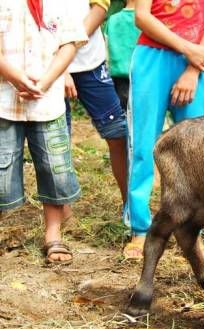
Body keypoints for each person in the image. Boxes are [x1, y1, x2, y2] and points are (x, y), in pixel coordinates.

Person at [124, 0, 204, 259]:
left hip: (199, 64)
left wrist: (192, 68)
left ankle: (192, 233)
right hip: (152, 58)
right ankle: (140, 228)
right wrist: (186, 48)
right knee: (143, 146)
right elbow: (142, 17)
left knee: (198, 154)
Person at [0, 0, 87, 264]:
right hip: (4, 99)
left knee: (55, 168)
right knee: (1, 167)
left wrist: (47, 81)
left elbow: (70, 43)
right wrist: (14, 75)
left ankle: (53, 234)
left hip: (47, 101)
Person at [65, 0, 129, 208]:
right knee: (55, 139)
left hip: (90, 63)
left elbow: (99, 8)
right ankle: (61, 209)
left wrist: (66, 54)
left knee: (118, 133)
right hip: (48, 65)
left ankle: (130, 204)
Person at [105, 0, 141, 111]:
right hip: (144, 77)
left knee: (125, 116)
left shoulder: (112, 20)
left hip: (119, 80)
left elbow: (106, 54)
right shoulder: (148, 19)